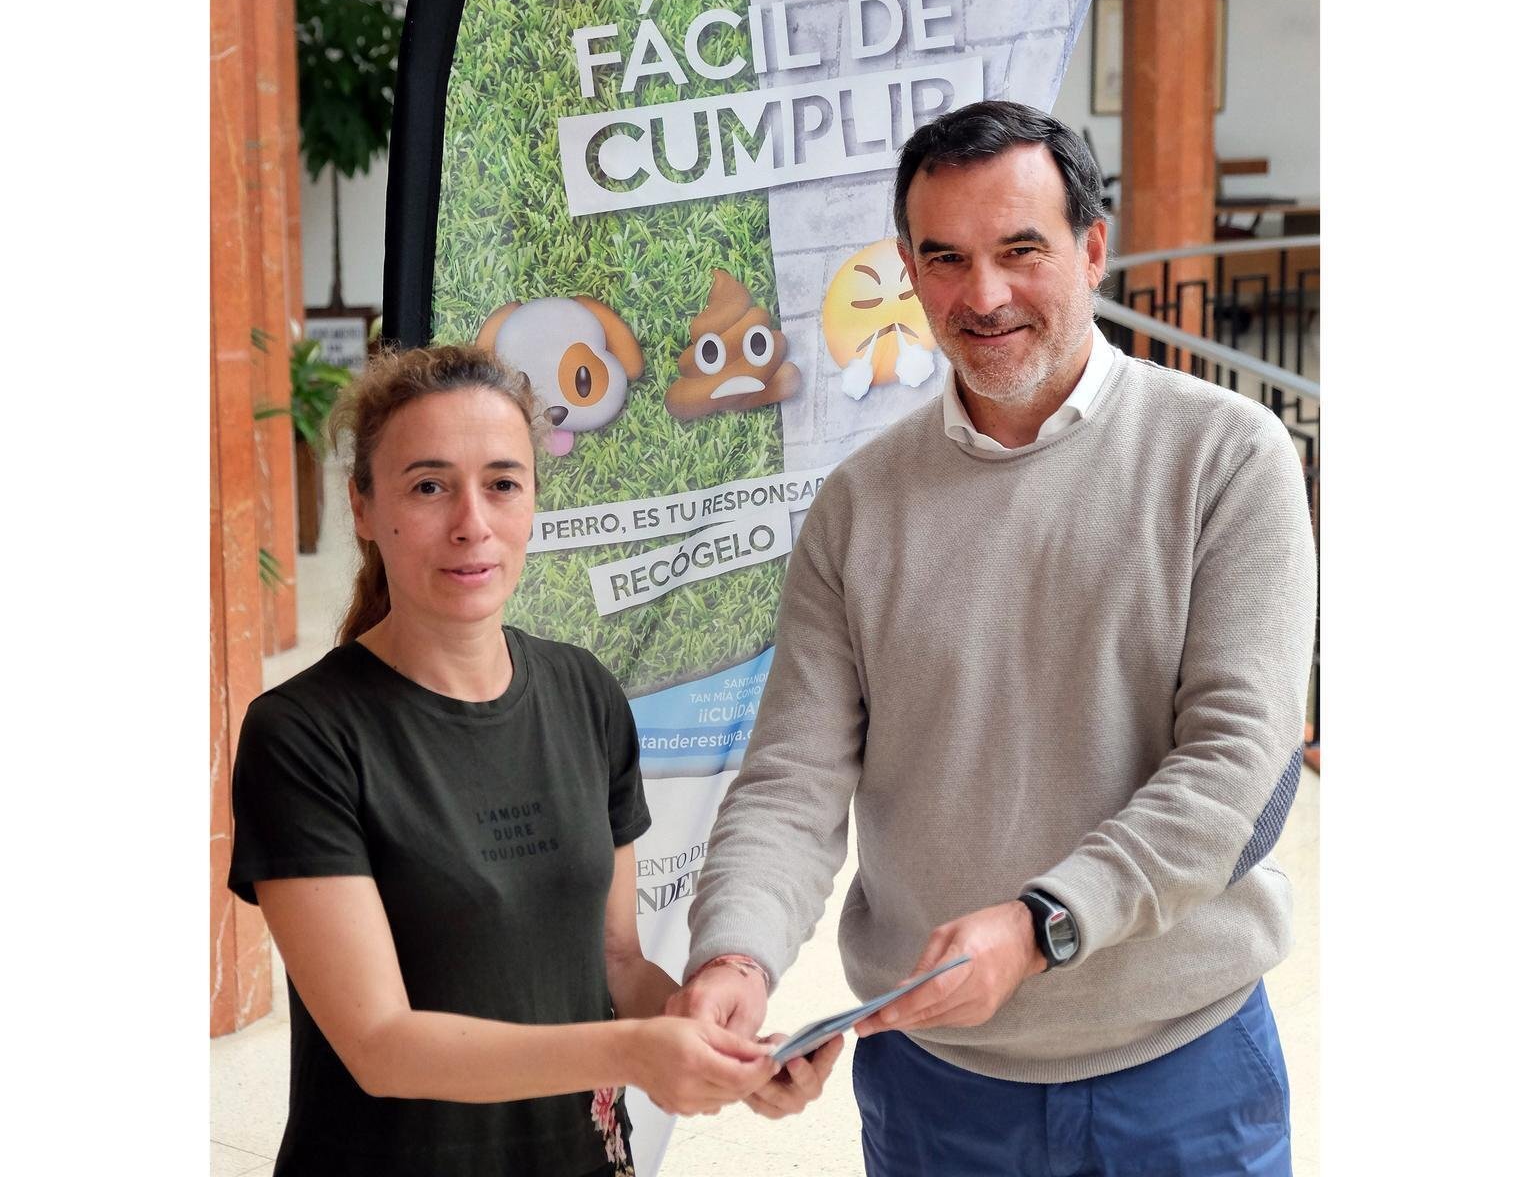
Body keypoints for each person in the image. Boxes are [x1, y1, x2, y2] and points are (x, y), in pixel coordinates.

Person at [667, 101, 1318, 1176]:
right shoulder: (859, 507)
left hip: (1184, 1073)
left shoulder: (1226, 457)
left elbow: (1236, 768)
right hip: (939, 1088)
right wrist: (734, 956)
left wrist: (1041, 925)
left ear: (1091, 250)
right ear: (909, 274)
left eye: (1021, 251)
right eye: (946, 259)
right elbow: (792, 779)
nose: (983, 295)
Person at [227, 344, 836, 1177]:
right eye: (429, 486)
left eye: (503, 484)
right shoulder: (303, 735)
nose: (472, 523)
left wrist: (716, 1041)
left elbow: (614, 961)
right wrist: (634, 1050)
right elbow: (380, 1045)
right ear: (362, 506)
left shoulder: (583, 693)